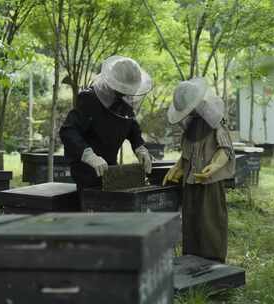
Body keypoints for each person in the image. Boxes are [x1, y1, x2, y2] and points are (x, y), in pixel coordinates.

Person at [163, 77, 235, 263]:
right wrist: (178, 167)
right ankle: (191, 262)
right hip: (190, 183)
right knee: (191, 222)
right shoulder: (191, 124)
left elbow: (226, 148)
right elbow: (188, 151)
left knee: (209, 224)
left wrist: (216, 165)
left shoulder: (215, 120)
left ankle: (214, 266)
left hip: (209, 184)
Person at [59, 56, 153, 188]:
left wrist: (140, 147)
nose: (125, 94)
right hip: (86, 170)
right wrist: (88, 155)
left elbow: (131, 125)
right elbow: (68, 131)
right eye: (122, 90)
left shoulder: (124, 102)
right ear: (112, 82)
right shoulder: (89, 99)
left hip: (110, 167)